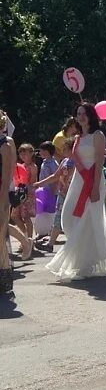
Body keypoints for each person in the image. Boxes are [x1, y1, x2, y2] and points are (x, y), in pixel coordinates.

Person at [47, 103, 106, 280]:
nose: (81, 116)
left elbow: (99, 162)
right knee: (68, 217)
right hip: (78, 180)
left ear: (91, 116)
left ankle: (86, 262)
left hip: (93, 181)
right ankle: (82, 255)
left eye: (84, 113)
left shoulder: (98, 135)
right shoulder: (78, 137)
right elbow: (74, 161)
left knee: (91, 219)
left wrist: (95, 186)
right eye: (78, 114)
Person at [33, 138, 75, 253]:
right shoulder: (64, 161)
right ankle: (50, 244)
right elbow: (55, 176)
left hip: (74, 194)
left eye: (66, 148)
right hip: (62, 194)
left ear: (73, 149)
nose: (62, 150)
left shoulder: (78, 162)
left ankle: (75, 242)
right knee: (58, 217)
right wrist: (39, 183)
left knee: (73, 218)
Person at [0, 109, 17, 291]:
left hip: (1, 193)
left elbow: (6, 177)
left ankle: (3, 277)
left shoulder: (4, 145)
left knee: (0, 237)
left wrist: (3, 202)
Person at [13, 143, 38, 239]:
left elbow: (32, 181)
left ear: (31, 153)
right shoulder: (21, 166)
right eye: (21, 153)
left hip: (28, 194)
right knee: (14, 216)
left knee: (26, 217)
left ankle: (29, 240)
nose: (22, 155)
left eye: (25, 153)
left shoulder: (33, 166)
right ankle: (25, 236)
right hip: (20, 192)